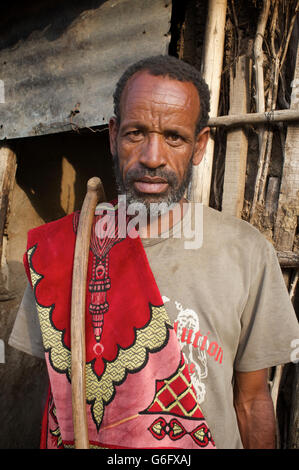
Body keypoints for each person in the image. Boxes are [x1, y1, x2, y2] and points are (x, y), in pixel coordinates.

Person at [9, 55, 299, 450]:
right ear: (113, 137)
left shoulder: (246, 253)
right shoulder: (61, 253)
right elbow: (53, 394)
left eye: (174, 137)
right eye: (135, 134)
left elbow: (250, 400)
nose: (151, 157)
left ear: (199, 146)